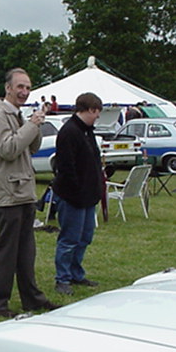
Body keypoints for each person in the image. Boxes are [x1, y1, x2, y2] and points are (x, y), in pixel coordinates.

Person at [0, 68, 59, 318]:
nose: (24, 92)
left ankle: (32, 299)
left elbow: (32, 147)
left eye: (27, 87)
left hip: (23, 191)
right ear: (8, 88)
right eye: (20, 87)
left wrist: (35, 125)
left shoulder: (16, 115)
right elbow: (9, 149)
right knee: (6, 252)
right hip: (8, 193)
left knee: (26, 252)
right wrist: (30, 125)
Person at [52, 92, 104, 295]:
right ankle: (62, 278)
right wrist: (76, 191)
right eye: (96, 112)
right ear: (90, 109)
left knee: (85, 237)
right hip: (72, 197)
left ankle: (76, 273)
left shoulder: (87, 131)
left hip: (88, 196)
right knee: (69, 239)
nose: (98, 116)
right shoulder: (69, 132)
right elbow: (66, 167)